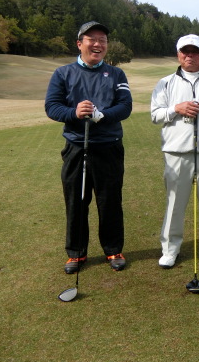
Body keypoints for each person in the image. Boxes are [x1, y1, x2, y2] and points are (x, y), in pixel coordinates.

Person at [45, 21, 132, 274]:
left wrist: (101, 116)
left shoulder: (116, 74)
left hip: (108, 147)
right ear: (79, 44)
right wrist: (74, 112)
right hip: (76, 147)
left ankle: (113, 249)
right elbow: (52, 106)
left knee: (110, 201)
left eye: (102, 40)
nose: (98, 44)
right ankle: (76, 253)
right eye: (92, 39)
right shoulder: (63, 73)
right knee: (76, 202)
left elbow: (125, 106)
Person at [151, 34, 199, 268]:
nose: (190, 55)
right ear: (178, 55)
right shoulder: (165, 83)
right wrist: (176, 109)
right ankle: (170, 249)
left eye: (195, 51)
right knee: (174, 202)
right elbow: (156, 115)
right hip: (177, 151)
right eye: (185, 51)